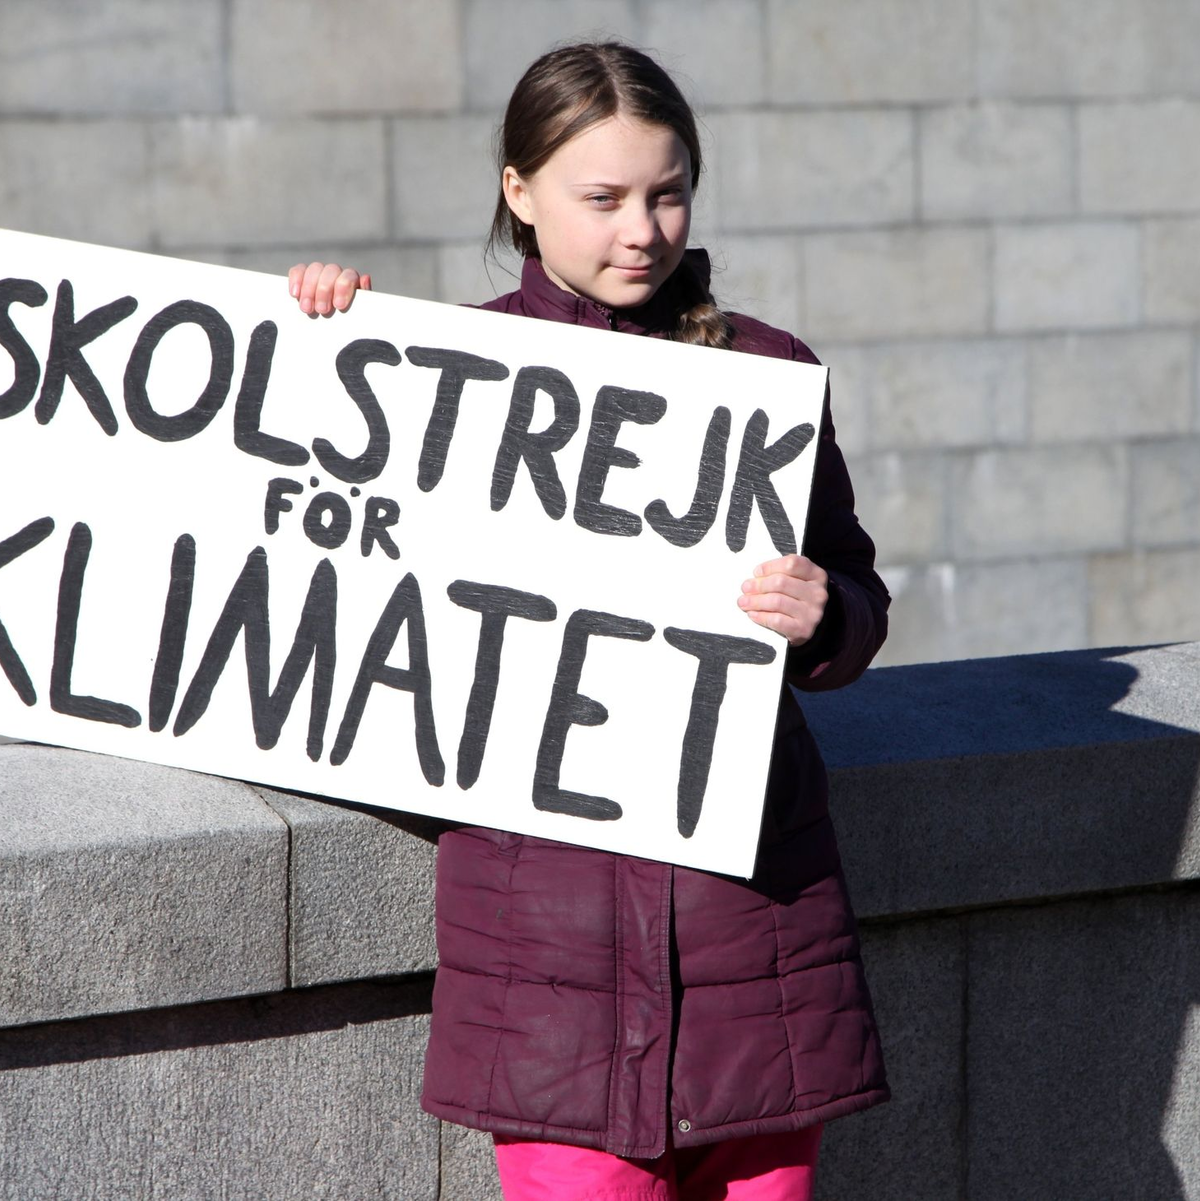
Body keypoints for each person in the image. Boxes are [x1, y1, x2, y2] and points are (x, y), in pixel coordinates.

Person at [290, 40, 889, 1201]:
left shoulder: (767, 373)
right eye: (604, 198)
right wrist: (319, 343)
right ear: (519, 191)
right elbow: (327, 564)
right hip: (546, 966)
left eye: (668, 194)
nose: (643, 231)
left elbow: (857, 598)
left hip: (759, 946)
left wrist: (825, 614)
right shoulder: (446, 371)